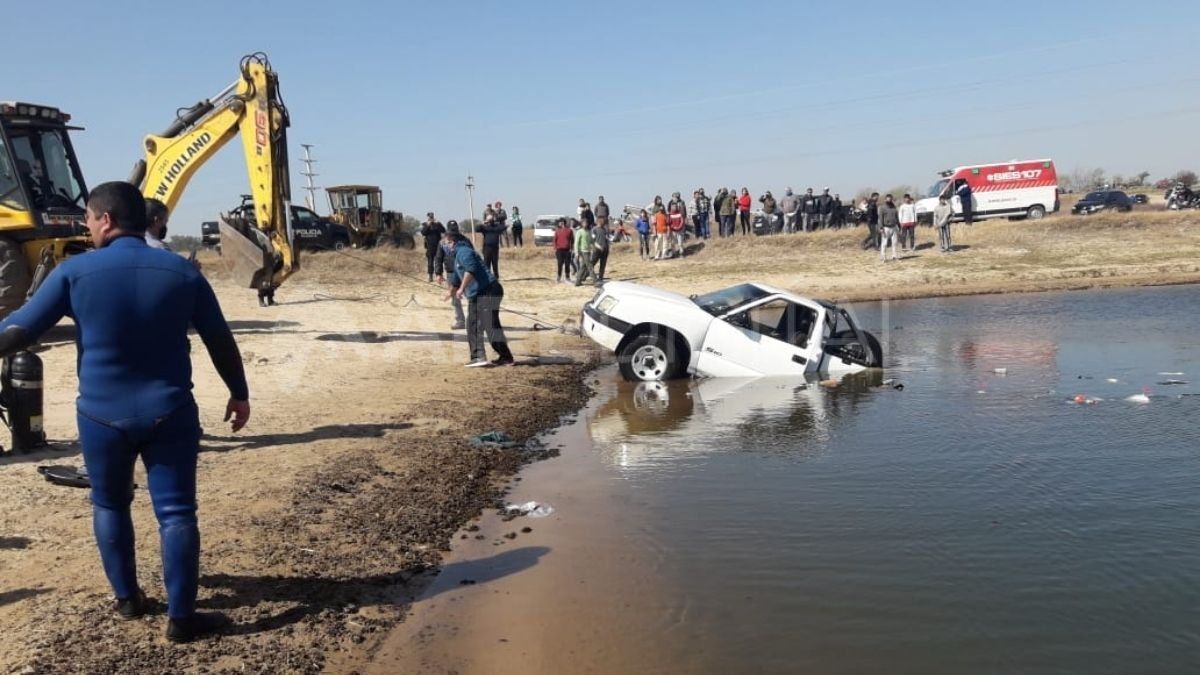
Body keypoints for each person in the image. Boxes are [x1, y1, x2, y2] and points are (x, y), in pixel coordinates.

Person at [0, 181, 250, 642]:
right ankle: (181, 619)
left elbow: (18, 331)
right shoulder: (183, 271)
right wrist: (239, 392)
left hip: (100, 417)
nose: (88, 228)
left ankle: (129, 600)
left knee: (110, 503)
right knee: (176, 514)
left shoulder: (76, 274)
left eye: (90, 220)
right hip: (170, 411)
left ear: (107, 220)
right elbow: (219, 339)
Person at [446, 232, 513, 367]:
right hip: (477, 294)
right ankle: (501, 357)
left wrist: (461, 289)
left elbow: (471, 270)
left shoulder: (464, 252)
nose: (445, 246)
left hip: (488, 291)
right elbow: (456, 280)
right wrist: (451, 292)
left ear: (453, 242)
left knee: (487, 325)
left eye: (446, 243)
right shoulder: (457, 256)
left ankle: (483, 357)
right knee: (474, 324)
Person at [434, 220, 470, 329]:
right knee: (455, 298)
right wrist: (438, 273)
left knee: (471, 296)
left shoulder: (465, 241)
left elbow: (471, 255)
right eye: (451, 233)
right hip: (450, 273)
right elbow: (438, 258)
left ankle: (475, 320)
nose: (453, 236)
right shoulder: (443, 242)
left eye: (455, 233)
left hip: (464, 273)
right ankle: (460, 321)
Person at [419, 213, 446, 282]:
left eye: (432, 217)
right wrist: (428, 225)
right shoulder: (425, 224)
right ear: (427, 217)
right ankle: (430, 276)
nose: (431, 218)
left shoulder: (437, 224)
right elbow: (423, 233)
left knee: (439, 261)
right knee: (430, 262)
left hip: (438, 246)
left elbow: (443, 230)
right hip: (429, 246)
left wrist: (439, 224)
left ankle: (440, 275)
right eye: (430, 217)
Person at [480, 211, 505, 279]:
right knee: (486, 264)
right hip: (486, 248)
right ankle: (487, 277)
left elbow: (503, 227)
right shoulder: (485, 228)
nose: (490, 221)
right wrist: (483, 223)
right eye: (489, 220)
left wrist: (496, 221)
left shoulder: (496, 227)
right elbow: (477, 228)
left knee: (495, 264)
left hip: (495, 248)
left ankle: (496, 277)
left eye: (491, 220)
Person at [574, 216, 595, 285]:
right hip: (583, 251)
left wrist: (594, 247)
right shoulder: (579, 232)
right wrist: (576, 252)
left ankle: (578, 281)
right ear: (581, 224)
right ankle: (595, 280)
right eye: (584, 223)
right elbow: (576, 243)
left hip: (588, 251)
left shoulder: (588, 232)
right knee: (589, 266)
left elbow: (591, 241)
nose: (585, 224)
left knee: (583, 266)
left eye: (586, 223)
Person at [879, 194, 900, 262]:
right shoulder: (882, 208)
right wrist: (881, 227)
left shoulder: (894, 207)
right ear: (885, 199)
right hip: (886, 227)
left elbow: (897, 217)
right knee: (884, 243)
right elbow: (880, 218)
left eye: (890, 199)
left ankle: (894, 256)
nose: (889, 200)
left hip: (894, 227)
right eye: (888, 199)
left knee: (894, 242)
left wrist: (899, 225)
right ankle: (883, 257)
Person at [553, 218, 574, 283]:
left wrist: (572, 248)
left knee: (567, 264)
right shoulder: (557, 231)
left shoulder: (569, 230)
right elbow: (554, 240)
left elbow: (572, 240)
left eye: (561, 222)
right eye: (559, 222)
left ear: (564, 223)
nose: (560, 223)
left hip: (567, 250)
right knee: (560, 264)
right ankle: (558, 277)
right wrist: (555, 248)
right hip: (559, 250)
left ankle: (567, 278)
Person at [591, 218, 610, 283]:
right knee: (592, 263)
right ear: (598, 222)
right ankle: (585, 275)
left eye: (603, 222)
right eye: (601, 221)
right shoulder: (594, 229)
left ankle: (600, 277)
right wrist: (598, 246)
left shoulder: (605, 230)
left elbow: (607, 239)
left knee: (603, 264)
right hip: (597, 249)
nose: (602, 223)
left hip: (605, 249)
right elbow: (593, 241)